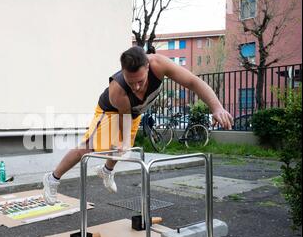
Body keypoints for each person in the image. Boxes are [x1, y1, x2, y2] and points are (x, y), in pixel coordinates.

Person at [42, 46, 233, 205]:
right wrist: (123, 141)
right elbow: (123, 118)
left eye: (140, 81)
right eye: (131, 83)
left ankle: (106, 171)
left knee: (121, 148)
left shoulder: (160, 64)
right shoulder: (118, 89)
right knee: (89, 148)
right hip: (111, 110)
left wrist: (216, 107)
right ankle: (52, 178)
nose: (137, 87)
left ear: (148, 67)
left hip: (135, 112)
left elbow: (193, 81)